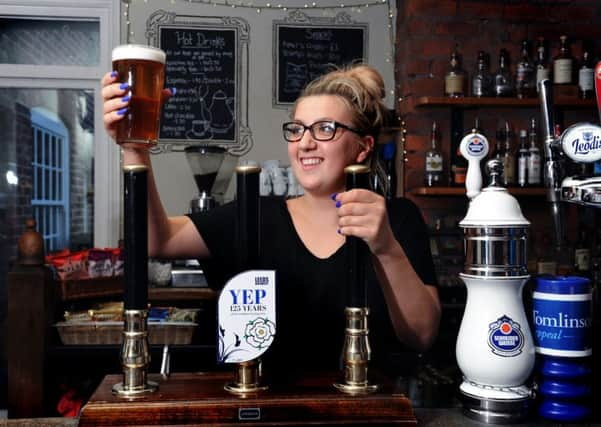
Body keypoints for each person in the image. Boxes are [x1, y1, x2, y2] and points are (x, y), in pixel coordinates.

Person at [101, 64, 440, 377]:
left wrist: (385, 247)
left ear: (363, 147)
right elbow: (158, 240)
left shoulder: (397, 219)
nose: (305, 142)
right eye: (297, 129)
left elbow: (422, 336)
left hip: (368, 412)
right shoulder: (256, 216)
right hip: (266, 411)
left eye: (325, 129)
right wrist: (135, 148)